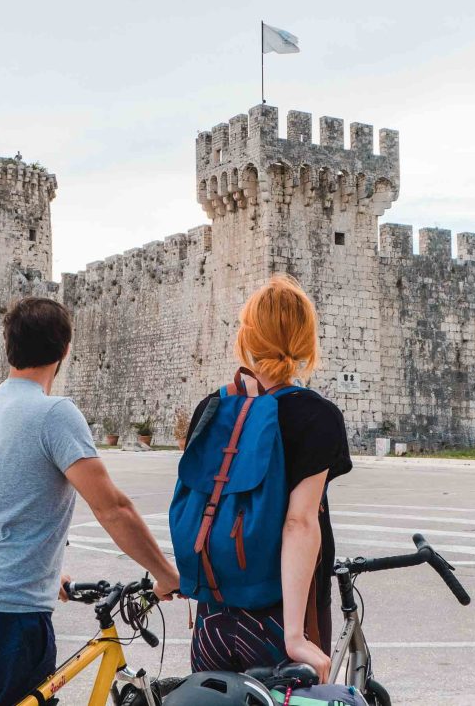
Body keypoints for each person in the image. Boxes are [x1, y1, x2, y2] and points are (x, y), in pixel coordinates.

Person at [0, 296, 179, 706]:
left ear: (7, 345)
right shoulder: (54, 414)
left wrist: (50, 572)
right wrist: (165, 574)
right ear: (65, 350)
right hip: (6, 615)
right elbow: (112, 508)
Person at [181, 275, 351, 683]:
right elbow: (299, 522)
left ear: (246, 339)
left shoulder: (212, 408)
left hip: (212, 621)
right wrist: (294, 635)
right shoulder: (317, 416)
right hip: (277, 621)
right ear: (305, 343)